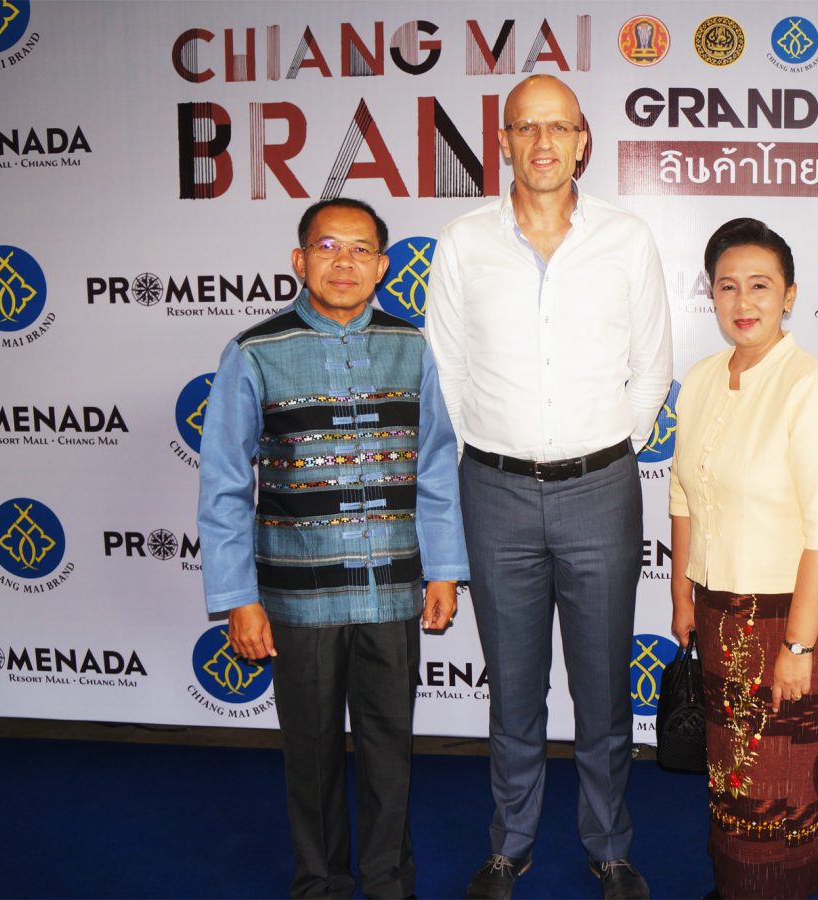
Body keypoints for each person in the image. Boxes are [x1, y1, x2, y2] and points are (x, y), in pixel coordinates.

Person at [425, 74, 671, 900]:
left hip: (601, 489)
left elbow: (652, 367)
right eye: (525, 127)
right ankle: (512, 844)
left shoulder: (626, 238)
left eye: (558, 127)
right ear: (502, 141)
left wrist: (604, 447)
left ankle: (609, 847)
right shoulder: (463, 242)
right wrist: (496, 450)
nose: (542, 143)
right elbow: (446, 373)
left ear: (582, 141)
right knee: (513, 688)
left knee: (602, 689)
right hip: (493, 491)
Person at [198, 197, 469, 899]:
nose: (343, 263)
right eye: (327, 247)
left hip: (391, 593)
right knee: (312, 755)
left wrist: (443, 570)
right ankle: (320, 885)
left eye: (360, 250)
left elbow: (436, 467)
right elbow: (225, 484)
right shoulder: (255, 352)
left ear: (382, 266)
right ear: (300, 260)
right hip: (298, 599)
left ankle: (388, 883)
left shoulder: (412, 348)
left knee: (390, 753)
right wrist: (237, 598)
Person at [668, 218, 818, 899]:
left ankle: (778, 888)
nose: (742, 301)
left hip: (787, 613)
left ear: (789, 295)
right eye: (727, 286)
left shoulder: (812, 386)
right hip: (719, 610)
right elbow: (683, 493)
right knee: (732, 771)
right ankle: (737, 884)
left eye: (759, 285)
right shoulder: (700, 380)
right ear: (711, 295)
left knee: (782, 777)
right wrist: (682, 595)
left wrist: (799, 646)